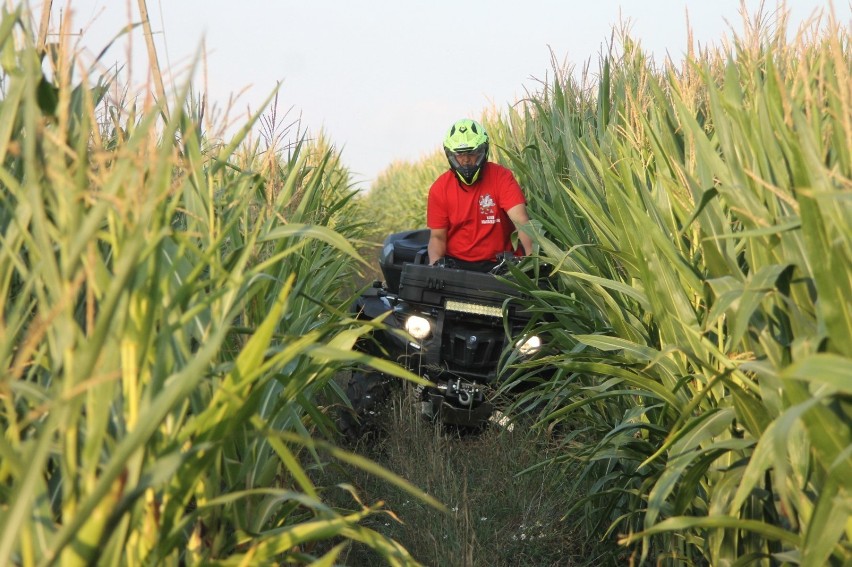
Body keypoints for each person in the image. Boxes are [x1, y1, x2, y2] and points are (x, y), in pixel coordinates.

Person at [426, 118, 533, 270]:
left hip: (501, 264)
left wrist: (533, 262)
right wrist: (435, 266)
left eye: (471, 153)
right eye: (460, 155)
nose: (466, 160)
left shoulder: (501, 177)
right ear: (450, 155)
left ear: (483, 151)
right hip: (457, 266)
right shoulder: (440, 188)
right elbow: (437, 237)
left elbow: (522, 223)